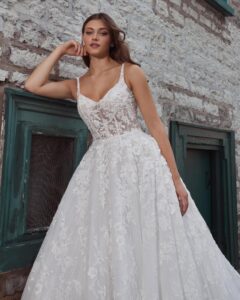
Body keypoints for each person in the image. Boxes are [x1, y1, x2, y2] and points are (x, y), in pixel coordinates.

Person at [21, 12, 240, 300]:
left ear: (112, 39)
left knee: (145, 233)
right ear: (84, 39)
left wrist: (176, 180)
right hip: (99, 167)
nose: (94, 37)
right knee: (108, 238)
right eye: (89, 32)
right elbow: (32, 85)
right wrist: (61, 49)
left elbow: (155, 126)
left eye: (101, 32)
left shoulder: (130, 72)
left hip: (140, 162)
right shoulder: (76, 85)